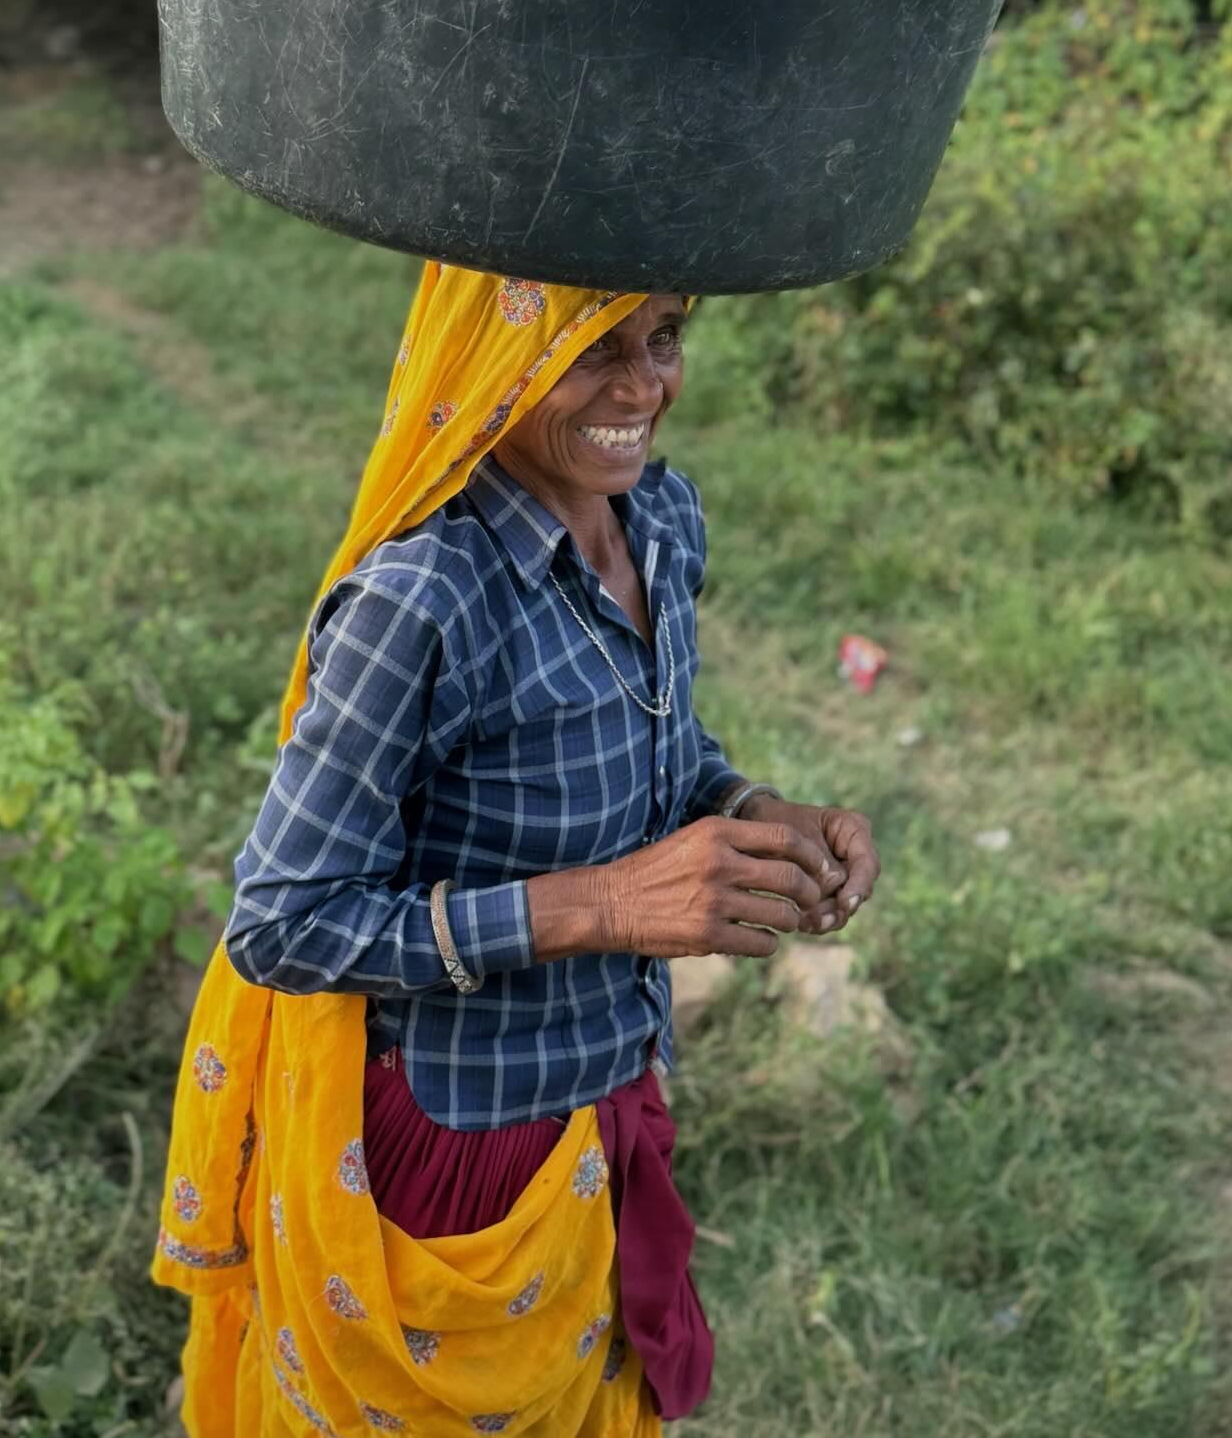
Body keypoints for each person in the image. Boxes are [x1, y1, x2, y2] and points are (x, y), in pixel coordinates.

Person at [153, 263, 880, 1435]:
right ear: (498, 358)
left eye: (665, 336)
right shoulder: (423, 599)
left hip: (611, 1101)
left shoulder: (663, 518)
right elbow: (282, 920)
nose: (643, 385)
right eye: (596, 349)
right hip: (458, 1164)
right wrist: (600, 906)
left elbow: (657, 735)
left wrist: (752, 803)